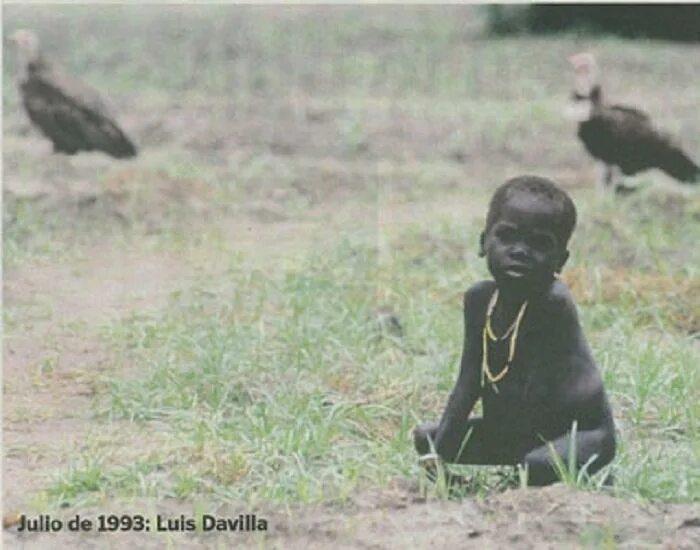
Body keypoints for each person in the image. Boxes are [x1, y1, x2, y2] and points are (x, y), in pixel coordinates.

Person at [414, 175, 615, 486]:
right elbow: (468, 382)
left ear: (560, 260)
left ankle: (565, 474)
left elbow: (538, 394)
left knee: (534, 465)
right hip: (516, 430)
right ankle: (505, 473)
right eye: (507, 236)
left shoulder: (553, 303)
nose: (520, 251)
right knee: (427, 438)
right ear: (483, 243)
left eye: (539, 243)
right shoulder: (480, 300)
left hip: (578, 433)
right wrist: (438, 459)